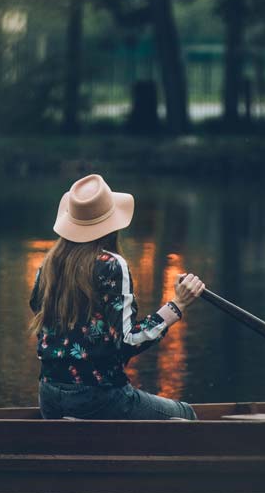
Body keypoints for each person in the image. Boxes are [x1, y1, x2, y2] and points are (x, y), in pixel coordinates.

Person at [30, 172, 206, 420]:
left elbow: (44, 321)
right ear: (111, 226)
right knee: (186, 415)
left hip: (49, 397)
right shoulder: (112, 265)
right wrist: (177, 305)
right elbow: (127, 342)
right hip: (98, 398)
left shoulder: (48, 264)